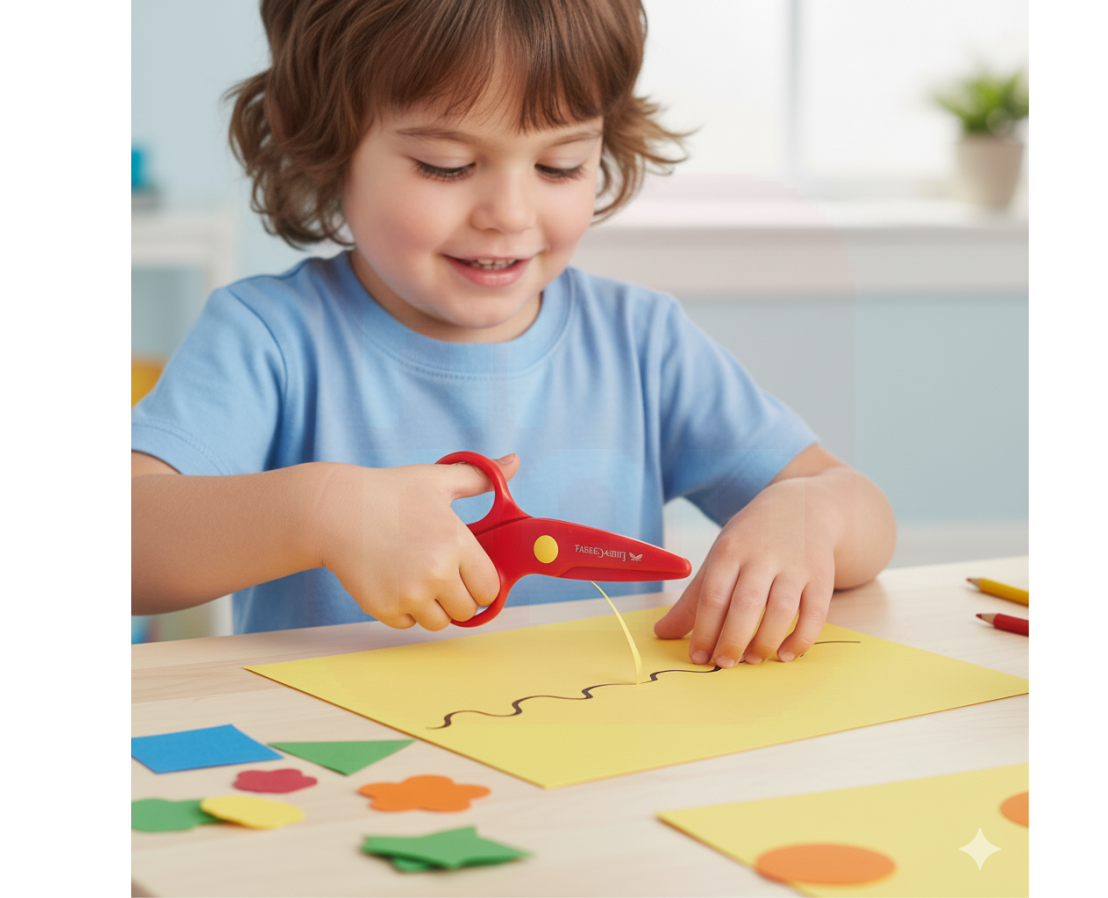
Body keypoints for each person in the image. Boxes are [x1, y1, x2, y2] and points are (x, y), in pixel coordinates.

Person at [132, 0, 895, 670]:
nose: (510, 213)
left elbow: (861, 509)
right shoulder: (266, 339)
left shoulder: (643, 342)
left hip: (599, 761)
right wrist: (319, 511)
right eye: (446, 165)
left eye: (560, 165)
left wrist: (811, 515)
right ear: (312, 133)